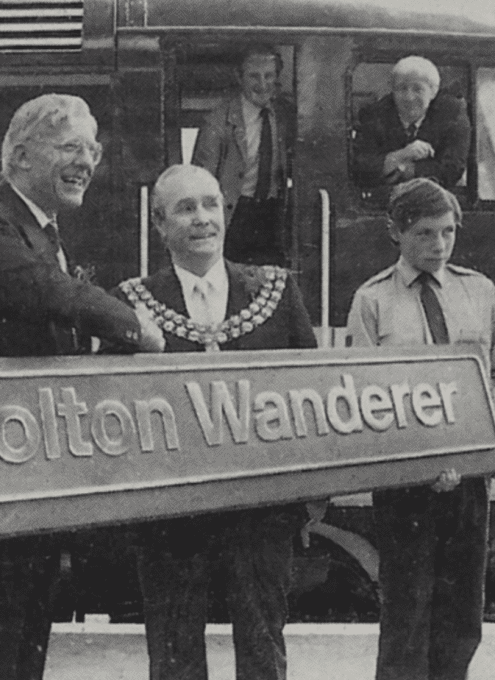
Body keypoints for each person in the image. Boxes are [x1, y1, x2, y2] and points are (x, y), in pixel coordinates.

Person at [0, 93, 165, 680]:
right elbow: (42, 290)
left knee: (23, 636)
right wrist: (132, 324)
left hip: (29, 470)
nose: (87, 161)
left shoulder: (41, 228)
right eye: (70, 147)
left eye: (93, 148)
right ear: (19, 156)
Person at [116, 164, 317, 680]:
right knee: (174, 658)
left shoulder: (276, 292)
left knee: (263, 651)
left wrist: (309, 498)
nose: (202, 219)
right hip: (169, 521)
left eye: (211, 205)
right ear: (160, 224)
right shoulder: (131, 303)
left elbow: (310, 396)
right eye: (186, 209)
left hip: (260, 515)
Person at [346, 178, 495, 680]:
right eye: (426, 233)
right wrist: (422, 463)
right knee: (407, 614)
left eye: (448, 232)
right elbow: (366, 397)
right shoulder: (373, 301)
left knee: (463, 613)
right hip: (406, 488)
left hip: (469, 483)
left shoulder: (481, 292)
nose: (440, 245)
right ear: (396, 232)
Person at [191, 44, 295, 265]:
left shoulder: (284, 114)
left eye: (269, 76)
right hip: (236, 214)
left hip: (273, 214)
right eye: (254, 76)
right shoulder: (217, 121)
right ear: (239, 78)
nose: (263, 84)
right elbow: (200, 182)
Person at [352, 55, 471, 188]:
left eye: (417, 89)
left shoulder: (452, 113)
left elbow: (451, 170)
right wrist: (402, 155)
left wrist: (405, 169)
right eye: (402, 88)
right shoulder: (374, 115)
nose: (409, 97)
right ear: (392, 91)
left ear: (433, 91)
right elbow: (360, 168)